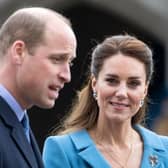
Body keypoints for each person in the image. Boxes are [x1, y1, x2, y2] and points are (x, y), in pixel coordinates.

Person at [43, 34, 168, 168]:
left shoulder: (165, 150)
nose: (121, 93)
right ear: (94, 84)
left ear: (144, 90)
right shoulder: (63, 150)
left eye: (133, 83)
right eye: (112, 81)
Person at [0, 7, 77, 168]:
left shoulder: (20, 123)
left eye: (69, 62)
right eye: (57, 59)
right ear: (19, 52)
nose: (66, 76)